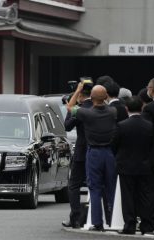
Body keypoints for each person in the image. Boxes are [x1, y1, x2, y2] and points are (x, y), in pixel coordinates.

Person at [67, 83, 117, 231]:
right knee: (110, 188)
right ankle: (113, 219)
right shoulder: (113, 111)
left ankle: (98, 223)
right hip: (109, 153)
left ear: (91, 98)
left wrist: (77, 91)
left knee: (94, 188)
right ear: (106, 97)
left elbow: (69, 107)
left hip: (94, 152)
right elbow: (105, 103)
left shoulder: (86, 113)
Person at [112, 96, 154, 235]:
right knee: (145, 196)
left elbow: (114, 145)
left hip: (126, 166)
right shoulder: (149, 126)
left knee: (128, 196)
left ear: (126, 109)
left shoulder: (122, 125)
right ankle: (146, 225)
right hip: (145, 165)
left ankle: (129, 225)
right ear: (142, 108)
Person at [62, 83, 93, 229]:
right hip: (97, 150)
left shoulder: (80, 110)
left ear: (80, 95)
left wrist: (74, 96)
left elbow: (67, 125)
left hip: (82, 151)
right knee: (96, 185)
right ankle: (95, 216)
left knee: (74, 185)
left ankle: (75, 217)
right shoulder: (99, 107)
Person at [142, 77, 154, 233]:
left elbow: (146, 133)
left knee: (151, 191)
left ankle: (150, 224)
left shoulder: (150, 108)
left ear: (152, 90)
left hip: (153, 155)